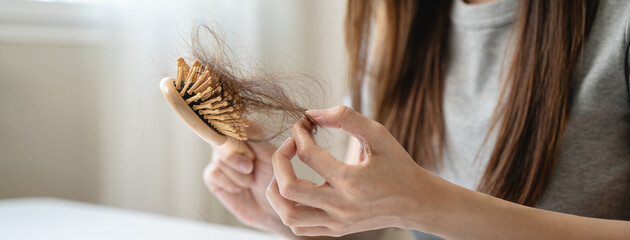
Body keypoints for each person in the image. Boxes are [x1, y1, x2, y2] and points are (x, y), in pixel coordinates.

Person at [203, 0, 630, 239]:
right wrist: (292, 213)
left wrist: (423, 205)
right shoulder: (399, 20)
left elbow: (407, 207)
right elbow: (368, 230)